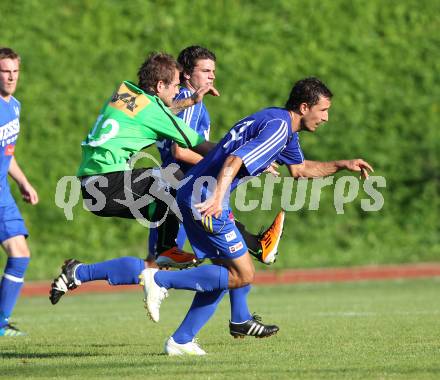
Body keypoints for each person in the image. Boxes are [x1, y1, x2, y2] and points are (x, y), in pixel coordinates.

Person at [139, 77, 374, 355]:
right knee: (243, 274)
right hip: (205, 198)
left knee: (226, 275)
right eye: (322, 110)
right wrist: (216, 198)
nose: (326, 118)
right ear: (303, 107)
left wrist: (341, 165)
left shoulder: (278, 122)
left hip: (196, 193)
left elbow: (299, 170)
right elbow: (233, 160)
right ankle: (159, 281)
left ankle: (181, 340)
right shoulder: (279, 128)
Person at [49, 51, 282, 307]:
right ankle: (241, 248)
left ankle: (84, 271)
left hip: (94, 185)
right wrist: (244, 159)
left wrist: (188, 101)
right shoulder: (154, 112)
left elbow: (158, 110)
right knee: (178, 187)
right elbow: (197, 145)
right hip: (106, 184)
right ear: (160, 85)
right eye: (174, 86)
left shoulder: (126, 92)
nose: (177, 91)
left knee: (158, 252)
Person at [0, 47, 39, 337]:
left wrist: (23, 182)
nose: (11, 77)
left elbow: (7, 153)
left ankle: (0, 323)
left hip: (3, 192)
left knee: (20, 253)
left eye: (15, 71)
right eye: (5, 71)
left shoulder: (14, 106)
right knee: (19, 252)